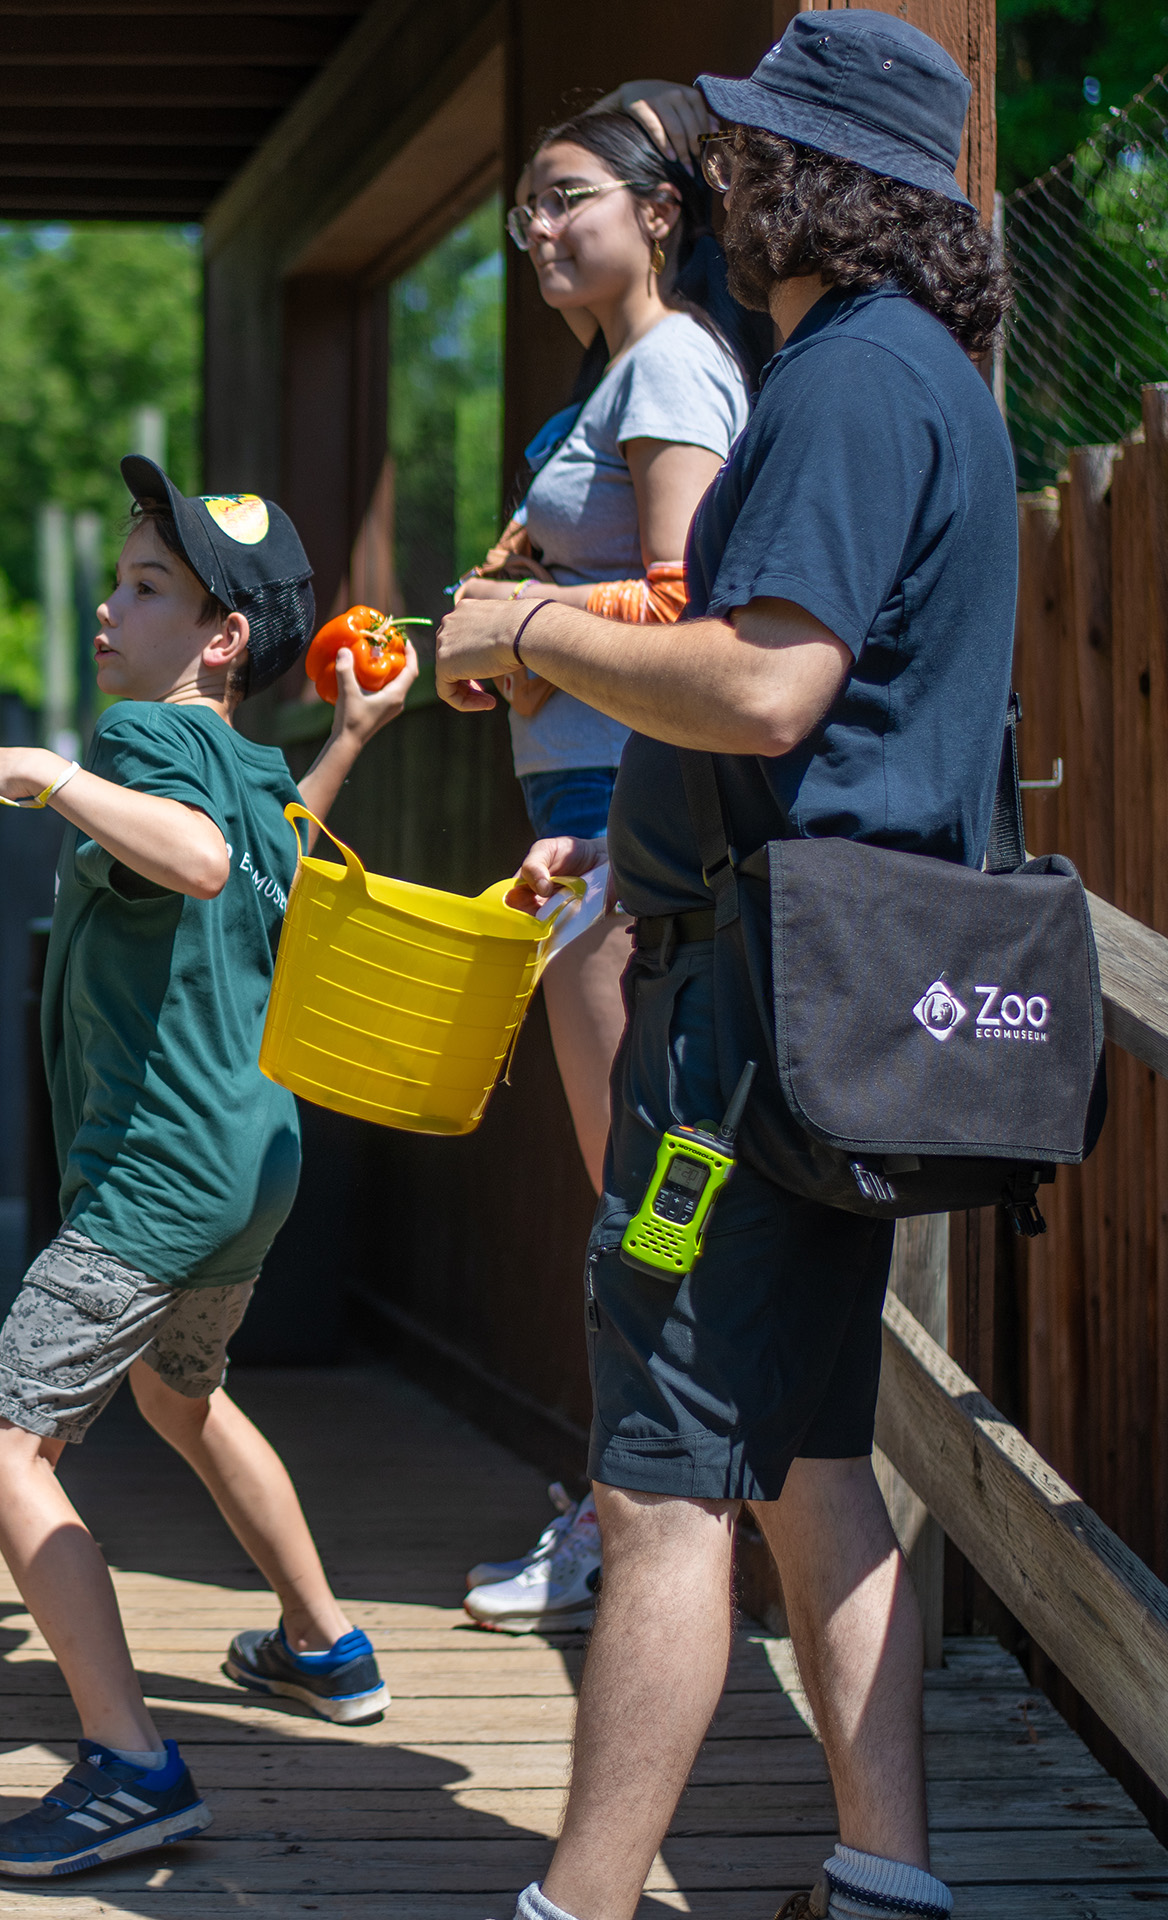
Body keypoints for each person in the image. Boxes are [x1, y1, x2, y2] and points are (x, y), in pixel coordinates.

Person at [433, 16, 1011, 1920]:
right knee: (806, 1455)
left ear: (816, 180)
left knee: (661, 1474)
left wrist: (530, 625)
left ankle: (575, 1906)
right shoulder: (930, 381)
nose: (726, 179)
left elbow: (768, 685)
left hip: (744, 1038)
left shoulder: (846, 382)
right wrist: (625, 825)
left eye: (755, 151)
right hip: (831, 999)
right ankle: (887, 1880)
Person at [0, 458, 417, 1879]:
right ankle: (325, 1647)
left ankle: (131, 1766)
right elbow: (264, 847)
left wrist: (49, 771)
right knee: (179, 1391)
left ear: (218, 640)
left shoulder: (139, 746)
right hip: (251, 1157)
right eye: (122, 574)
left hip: (160, 1168)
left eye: (148, 586)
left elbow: (205, 864)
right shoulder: (249, 758)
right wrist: (354, 739)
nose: (110, 601)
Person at [457, 104, 763, 1639]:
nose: (535, 231)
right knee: (629, 1191)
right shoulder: (616, 376)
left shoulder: (670, 366)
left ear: (658, 210)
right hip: (580, 792)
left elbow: (690, 607)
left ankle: (637, 1518)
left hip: (622, 812)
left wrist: (518, 624)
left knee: (640, 1197)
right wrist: (496, 646)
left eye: (563, 199)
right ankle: (645, 1508)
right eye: (521, 211)